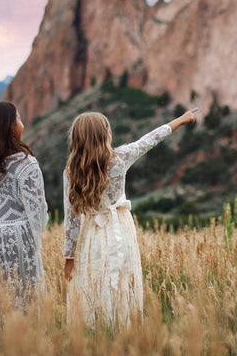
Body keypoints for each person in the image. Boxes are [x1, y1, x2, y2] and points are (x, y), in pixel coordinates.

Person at [63, 108, 198, 327]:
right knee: (123, 281)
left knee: (95, 281)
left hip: (91, 236)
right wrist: (181, 120)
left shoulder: (70, 170)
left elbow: (71, 219)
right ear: (105, 135)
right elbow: (150, 139)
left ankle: (96, 333)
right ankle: (123, 329)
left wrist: (69, 258)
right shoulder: (120, 157)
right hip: (120, 231)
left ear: (76, 139)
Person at [0, 101, 48, 310]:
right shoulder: (26, 163)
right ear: (11, 127)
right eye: (19, 119)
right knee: (23, 304)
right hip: (17, 239)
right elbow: (38, 212)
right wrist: (36, 241)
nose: (22, 124)